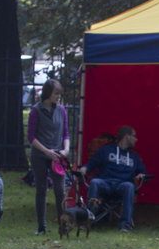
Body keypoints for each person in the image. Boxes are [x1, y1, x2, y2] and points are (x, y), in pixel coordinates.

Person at [80, 125, 147, 232]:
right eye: (134, 136)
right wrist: (85, 168)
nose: (136, 139)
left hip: (122, 185)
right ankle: (88, 220)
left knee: (129, 186)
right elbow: (92, 163)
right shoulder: (106, 150)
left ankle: (125, 225)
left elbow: (142, 172)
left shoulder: (134, 156)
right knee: (95, 182)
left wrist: (141, 175)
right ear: (126, 136)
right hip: (105, 183)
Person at [28, 79, 70, 235]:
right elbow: (31, 137)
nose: (58, 96)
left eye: (60, 93)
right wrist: (46, 151)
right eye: (56, 93)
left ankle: (63, 225)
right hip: (40, 155)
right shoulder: (36, 111)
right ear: (48, 93)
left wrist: (65, 150)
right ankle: (41, 226)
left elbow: (66, 133)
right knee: (41, 189)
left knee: (60, 190)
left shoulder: (62, 110)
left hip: (57, 157)